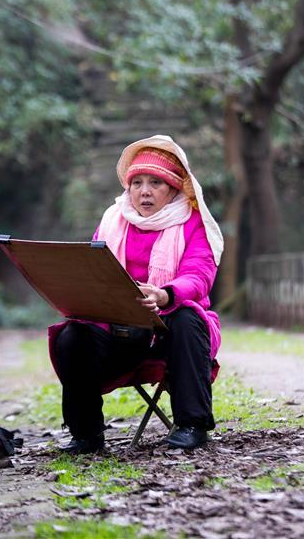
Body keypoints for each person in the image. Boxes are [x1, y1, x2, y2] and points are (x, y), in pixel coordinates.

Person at [48, 135, 224, 453]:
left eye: (156, 182)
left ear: (173, 189)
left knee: (186, 317)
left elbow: (199, 276)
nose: (144, 191)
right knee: (72, 337)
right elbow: (92, 270)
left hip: (169, 331)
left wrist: (165, 295)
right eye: (137, 182)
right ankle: (86, 433)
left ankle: (192, 425)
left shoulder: (193, 223)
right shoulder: (111, 221)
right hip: (119, 332)